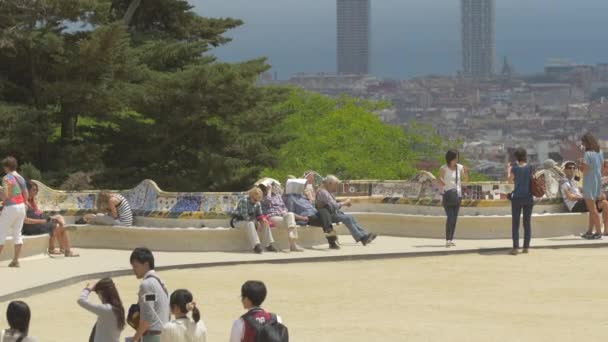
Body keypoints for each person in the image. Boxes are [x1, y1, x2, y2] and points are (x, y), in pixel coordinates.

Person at [316, 175, 377, 246]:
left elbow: (333, 203)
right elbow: (333, 205)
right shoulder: (323, 192)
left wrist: (344, 203)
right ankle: (362, 238)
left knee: (350, 217)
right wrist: (344, 203)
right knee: (347, 218)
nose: (336, 187)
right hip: (327, 215)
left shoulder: (328, 191)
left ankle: (364, 235)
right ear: (329, 183)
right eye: (335, 185)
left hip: (332, 213)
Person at [23, 181, 79, 257]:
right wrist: (42, 220)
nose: (36, 192)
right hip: (31, 228)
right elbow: (25, 220)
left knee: (59, 218)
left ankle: (61, 248)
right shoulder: (24, 203)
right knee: (58, 227)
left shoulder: (32, 201)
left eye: (36, 190)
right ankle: (62, 249)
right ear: (27, 190)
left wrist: (49, 218)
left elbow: (38, 214)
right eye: (34, 190)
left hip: (39, 224)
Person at [283, 179, 338, 249]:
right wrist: (301, 218)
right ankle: (331, 238)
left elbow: (312, 206)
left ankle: (330, 234)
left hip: (315, 214)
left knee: (324, 210)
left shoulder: (302, 196)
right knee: (325, 216)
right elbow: (290, 212)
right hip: (307, 217)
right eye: (302, 186)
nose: (303, 187)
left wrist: (310, 198)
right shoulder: (290, 198)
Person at [130, 248, 170, 342]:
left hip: (151, 337)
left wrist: (135, 339)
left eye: (136, 266)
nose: (133, 270)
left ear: (146, 265)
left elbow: (148, 317)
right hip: (163, 335)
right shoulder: (161, 282)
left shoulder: (146, 285)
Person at [560, 161, 608, 238]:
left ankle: (605, 231)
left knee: (605, 203)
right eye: (569, 168)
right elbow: (571, 197)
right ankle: (598, 232)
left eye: (573, 168)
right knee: (594, 203)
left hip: (582, 202)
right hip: (574, 205)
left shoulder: (573, 181)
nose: (572, 170)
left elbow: (582, 190)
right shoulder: (564, 181)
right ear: (565, 170)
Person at [0, 157, 28, 268]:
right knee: (17, 234)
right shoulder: (20, 177)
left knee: (1, 233)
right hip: (21, 207)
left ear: (6, 167)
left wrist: (2, 197)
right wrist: (24, 203)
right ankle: (15, 260)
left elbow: (6, 195)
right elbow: (25, 193)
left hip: (11, 207)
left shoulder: (7, 178)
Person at [77, 278, 125, 342]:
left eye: (98, 293)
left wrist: (88, 289)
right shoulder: (119, 308)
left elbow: (81, 301)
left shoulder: (106, 309)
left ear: (102, 293)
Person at [259, 183, 303, 252]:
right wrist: (269, 191)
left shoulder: (278, 196)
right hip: (272, 217)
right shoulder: (262, 196)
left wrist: (284, 211)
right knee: (292, 222)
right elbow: (267, 202)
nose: (273, 187)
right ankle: (293, 245)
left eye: (272, 186)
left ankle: (290, 234)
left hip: (282, 216)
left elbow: (284, 207)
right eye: (270, 186)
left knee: (290, 214)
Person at [438, 150, 469, 248]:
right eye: (454, 158)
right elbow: (440, 180)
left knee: (454, 218)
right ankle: (447, 239)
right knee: (450, 217)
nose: (456, 160)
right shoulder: (443, 168)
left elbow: (465, 180)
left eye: (457, 158)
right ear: (449, 159)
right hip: (447, 195)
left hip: (457, 196)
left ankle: (451, 239)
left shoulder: (460, 167)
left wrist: (466, 172)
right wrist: (441, 182)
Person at [506, 148, 534, 255]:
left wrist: (508, 169)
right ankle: (526, 247)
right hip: (528, 198)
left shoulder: (515, 168)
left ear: (516, 157)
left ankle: (515, 248)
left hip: (517, 198)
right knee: (527, 223)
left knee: (516, 223)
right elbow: (532, 180)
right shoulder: (530, 167)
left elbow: (509, 180)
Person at [234, 188, 278, 254]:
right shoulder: (244, 200)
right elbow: (245, 216)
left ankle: (268, 245)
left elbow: (260, 215)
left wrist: (263, 220)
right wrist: (256, 223)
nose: (256, 201)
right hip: (239, 221)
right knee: (250, 224)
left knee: (265, 223)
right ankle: (256, 246)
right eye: (255, 199)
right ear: (251, 196)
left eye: (258, 199)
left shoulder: (258, 202)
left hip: (251, 220)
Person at [579, 133, 605, 239]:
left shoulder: (587, 154)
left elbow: (584, 170)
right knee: (592, 208)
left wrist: (580, 164)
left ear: (587, 143)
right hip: (597, 182)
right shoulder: (600, 153)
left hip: (589, 183)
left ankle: (598, 232)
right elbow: (602, 168)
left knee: (592, 209)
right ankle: (590, 231)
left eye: (583, 143)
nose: (583, 145)